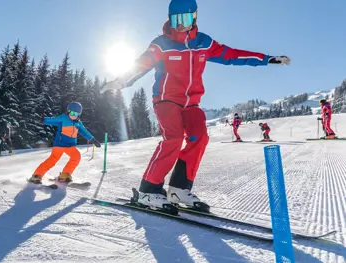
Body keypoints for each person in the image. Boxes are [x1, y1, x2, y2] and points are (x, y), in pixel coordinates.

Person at [100, 0, 290, 210]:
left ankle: (178, 189)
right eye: (176, 19)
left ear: (195, 17)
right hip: (166, 100)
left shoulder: (204, 43)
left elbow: (233, 55)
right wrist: (120, 81)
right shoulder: (162, 43)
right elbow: (140, 64)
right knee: (173, 138)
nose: (180, 25)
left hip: (191, 103)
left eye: (186, 19)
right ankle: (148, 190)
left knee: (199, 138)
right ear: (169, 19)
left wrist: (266, 59)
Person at [28, 102, 101, 184]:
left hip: (70, 146)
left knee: (76, 156)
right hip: (60, 144)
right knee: (52, 160)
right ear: (68, 111)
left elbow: (85, 132)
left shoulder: (78, 123)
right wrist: (44, 120)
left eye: (76, 114)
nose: (74, 115)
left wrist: (93, 140)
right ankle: (36, 175)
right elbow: (53, 120)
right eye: (72, 113)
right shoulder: (63, 118)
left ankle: (65, 175)